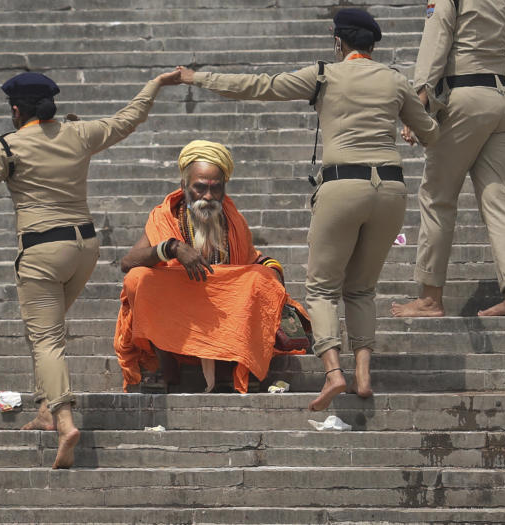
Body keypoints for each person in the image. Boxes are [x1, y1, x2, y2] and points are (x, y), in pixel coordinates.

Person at [0, 69, 180, 468]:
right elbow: (128, 118)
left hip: (43, 252)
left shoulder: (7, 147)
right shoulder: (78, 133)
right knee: (43, 330)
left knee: (46, 338)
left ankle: (64, 422)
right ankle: (45, 409)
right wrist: (155, 85)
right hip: (84, 247)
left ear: (15, 110)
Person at [177, 8, 439, 410]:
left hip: (341, 187)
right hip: (390, 189)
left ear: (339, 42)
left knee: (320, 287)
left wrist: (199, 77)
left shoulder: (324, 74)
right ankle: (364, 376)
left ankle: (335, 373)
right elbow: (430, 132)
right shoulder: (396, 80)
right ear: (372, 45)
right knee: (362, 288)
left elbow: (259, 86)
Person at [391, 0, 505, 318]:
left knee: (437, 198)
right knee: (497, 199)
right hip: (501, 101)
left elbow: (435, 43)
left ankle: (430, 298)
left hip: (464, 101)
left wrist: (418, 100)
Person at [114, 140, 309, 393]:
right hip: (179, 305)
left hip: (222, 303)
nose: (208, 197)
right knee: (137, 279)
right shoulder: (167, 215)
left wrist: (270, 269)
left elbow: (251, 258)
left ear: (224, 188)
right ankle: (167, 364)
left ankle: (233, 361)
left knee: (262, 277)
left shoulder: (233, 219)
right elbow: (127, 263)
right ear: (184, 186)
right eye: (199, 188)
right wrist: (171, 248)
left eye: (215, 189)